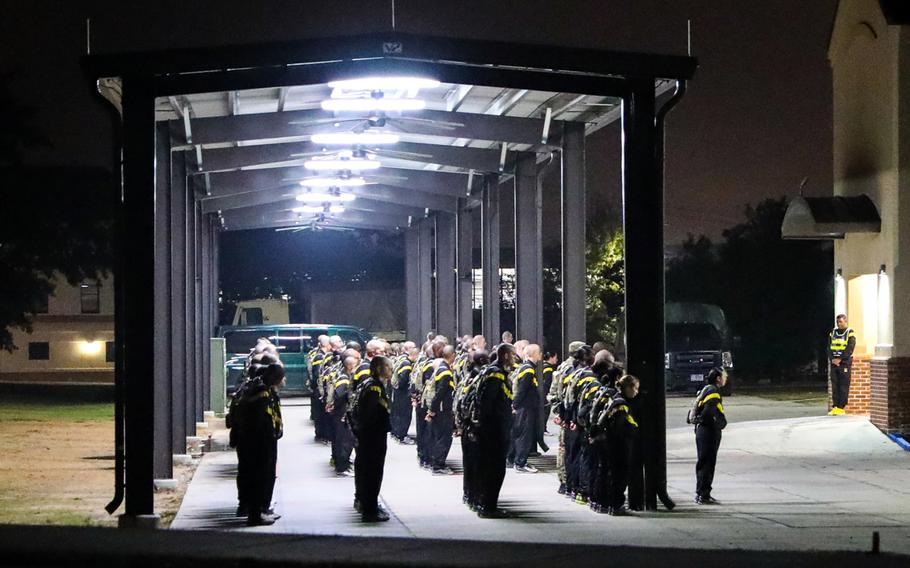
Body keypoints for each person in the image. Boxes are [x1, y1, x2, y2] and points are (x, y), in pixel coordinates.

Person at [233, 362, 285, 526]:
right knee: (259, 476)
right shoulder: (261, 393)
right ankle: (256, 512)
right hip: (258, 442)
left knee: (257, 475)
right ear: (276, 378)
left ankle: (257, 509)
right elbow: (260, 420)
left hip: (256, 441)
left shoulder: (258, 388)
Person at [473, 343, 517, 518]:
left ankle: (487, 503)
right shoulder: (496, 375)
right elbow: (487, 404)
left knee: (492, 468)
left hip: (495, 429)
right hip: (494, 431)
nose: (514, 359)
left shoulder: (494, 372)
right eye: (513, 355)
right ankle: (488, 506)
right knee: (494, 468)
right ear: (505, 356)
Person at [350, 356, 394, 522]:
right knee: (372, 473)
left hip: (368, 436)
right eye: (388, 367)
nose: (391, 371)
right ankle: (370, 509)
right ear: (380, 369)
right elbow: (369, 415)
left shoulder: (368, 384)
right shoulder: (374, 388)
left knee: (366, 471)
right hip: (372, 438)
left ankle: (367, 503)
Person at [594, 374, 639, 516]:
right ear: (628, 388)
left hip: (605, 442)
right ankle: (616, 504)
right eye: (636, 388)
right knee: (619, 475)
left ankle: (601, 503)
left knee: (605, 472)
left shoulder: (612, 399)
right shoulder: (622, 406)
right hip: (618, 446)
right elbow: (620, 428)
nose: (637, 392)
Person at [549, 340, 585, 495]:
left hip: (563, 412)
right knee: (568, 449)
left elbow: (553, 392)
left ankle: (564, 481)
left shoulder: (562, 366)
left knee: (564, 448)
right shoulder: (574, 369)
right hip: (569, 414)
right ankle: (567, 481)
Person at [456, 349, 490, 511]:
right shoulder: (480, 380)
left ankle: (468, 494)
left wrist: (460, 425)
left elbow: (457, 402)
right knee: (479, 465)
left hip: (466, 427)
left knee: (468, 464)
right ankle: (477, 499)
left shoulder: (466, 379)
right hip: (477, 428)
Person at [693, 367, 728, 505]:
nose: (726, 378)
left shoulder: (707, 389)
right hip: (709, 432)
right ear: (718, 378)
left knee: (703, 462)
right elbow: (708, 412)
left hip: (702, 431)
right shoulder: (714, 392)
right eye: (724, 376)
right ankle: (704, 494)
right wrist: (718, 424)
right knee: (708, 463)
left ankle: (700, 492)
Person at [511, 344, 542, 473]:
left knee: (521, 433)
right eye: (539, 352)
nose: (540, 355)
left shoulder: (524, 367)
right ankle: (520, 463)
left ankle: (518, 460)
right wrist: (515, 405)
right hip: (525, 408)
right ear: (533, 354)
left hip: (524, 407)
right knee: (525, 434)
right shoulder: (528, 370)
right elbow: (522, 390)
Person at [427, 345, 457, 474]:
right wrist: (433, 409)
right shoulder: (445, 372)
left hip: (440, 409)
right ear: (452, 355)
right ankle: (438, 465)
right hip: (443, 410)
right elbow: (440, 393)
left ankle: (436, 463)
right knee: (443, 437)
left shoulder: (441, 369)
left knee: (439, 436)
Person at [328, 353, 359, 477]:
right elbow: (340, 396)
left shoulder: (345, 377)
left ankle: (342, 463)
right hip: (342, 413)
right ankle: (342, 467)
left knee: (343, 439)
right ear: (350, 366)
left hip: (341, 413)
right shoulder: (344, 379)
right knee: (344, 441)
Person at [828, 314, 856, 416]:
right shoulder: (833, 332)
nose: (839, 324)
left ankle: (841, 407)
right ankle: (835, 406)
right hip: (834, 363)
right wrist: (832, 359)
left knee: (843, 385)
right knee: (835, 385)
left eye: (841, 322)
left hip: (844, 363)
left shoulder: (850, 333)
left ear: (845, 321)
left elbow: (850, 348)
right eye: (837, 322)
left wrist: (840, 358)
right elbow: (829, 347)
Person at [390, 345, 418, 444]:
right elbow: (403, 380)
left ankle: (397, 433)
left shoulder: (403, 360)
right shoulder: (407, 365)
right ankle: (402, 435)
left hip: (399, 392)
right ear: (414, 355)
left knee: (399, 414)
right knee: (404, 415)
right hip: (403, 393)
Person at [308, 335, 332, 443]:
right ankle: (321, 434)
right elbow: (318, 374)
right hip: (319, 388)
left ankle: (322, 433)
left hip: (319, 388)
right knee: (320, 414)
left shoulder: (320, 354)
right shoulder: (319, 357)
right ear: (326, 344)